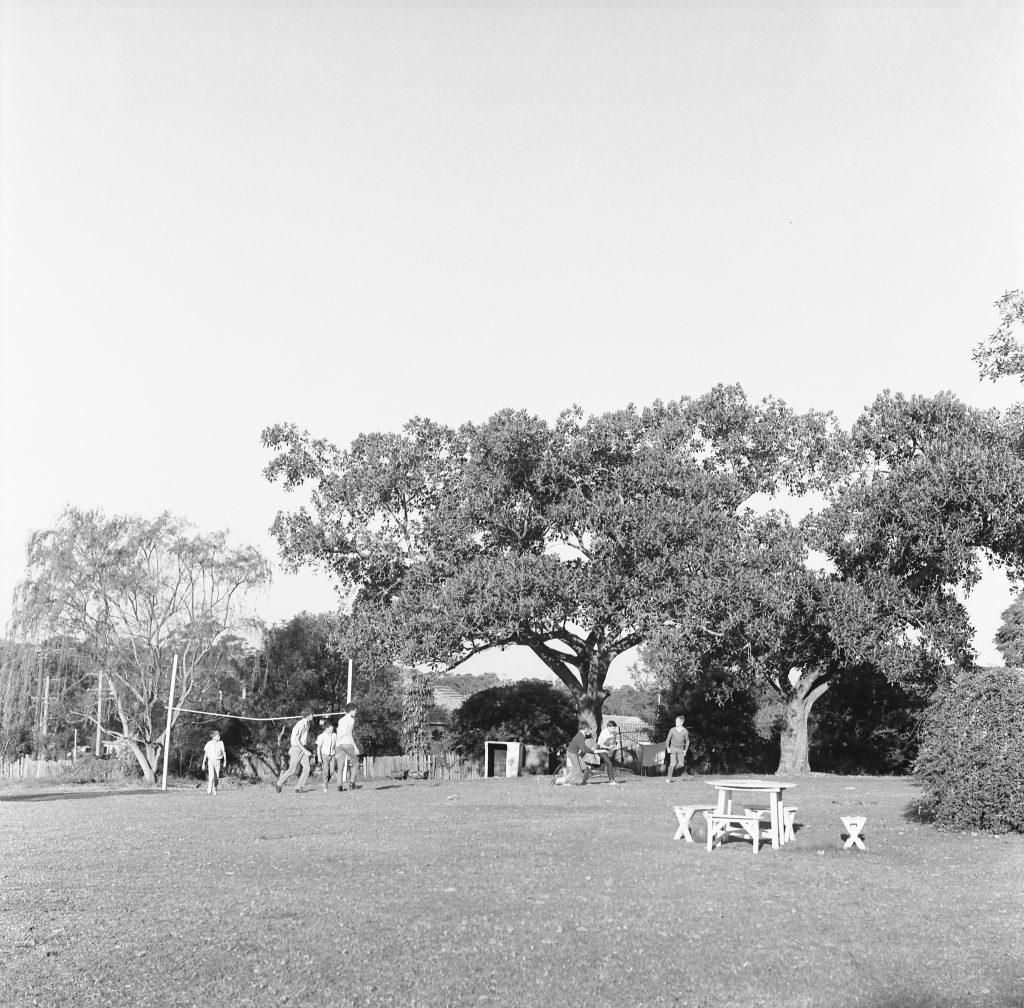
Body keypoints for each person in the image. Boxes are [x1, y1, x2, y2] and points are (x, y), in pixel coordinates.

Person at [275, 709, 315, 794]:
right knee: (292, 770)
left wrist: (305, 748)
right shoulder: (300, 724)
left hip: (302, 748)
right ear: (308, 715)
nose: (313, 715)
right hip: (296, 749)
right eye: (312, 714)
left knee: (307, 768)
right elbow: (296, 740)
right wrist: (305, 751)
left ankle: (298, 788)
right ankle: (279, 784)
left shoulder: (307, 724)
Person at [333, 703, 361, 792]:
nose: (355, 712)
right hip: (347, 743)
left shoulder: (340, 720)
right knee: (355, 763)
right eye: (355, 711)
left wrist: (336, 746)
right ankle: (352, 783)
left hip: (339, 744)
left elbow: (338, 732)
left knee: (340, 766)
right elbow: (349, 733)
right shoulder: (351, 720)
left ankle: (339, 786)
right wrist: (355, 747)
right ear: (351, 711)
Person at [565, 721, 597, 785]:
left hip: (575, 753)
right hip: (572, 753)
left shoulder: (581, 735)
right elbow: (583, 750)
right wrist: (591, 750)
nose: (588, 730)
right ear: (586, 728)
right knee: (577, 769)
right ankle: (567, 782)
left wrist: (590, 749)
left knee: (586, 768)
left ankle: (584, 782)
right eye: (588, 728)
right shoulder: (581, 736)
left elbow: (583, 746)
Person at [594, 719, 623, 785]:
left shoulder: (612, 733)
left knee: (608, 764)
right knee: (609, 763)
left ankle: (611, 780)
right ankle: (611, 781)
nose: (614, 730)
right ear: (608, 727)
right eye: (613, 728)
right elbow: (601, 745)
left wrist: (614, 742)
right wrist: (609, 747)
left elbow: (613, 741)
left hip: (606, 749)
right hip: (600, 749)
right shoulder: (604, 733)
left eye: (614, 728)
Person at [665, 714, 690, 784]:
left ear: (682, 722)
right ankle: (668, 778)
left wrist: (685, 750)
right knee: (672, 764)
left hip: (681, 750)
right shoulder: (672, 730)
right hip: (673, 749)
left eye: (678, 721)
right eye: (676, 721)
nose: (676, 722)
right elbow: (667, 740)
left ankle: (671, 769)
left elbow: (687, 741)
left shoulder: (685, 731)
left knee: (681, 764)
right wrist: (668, 748)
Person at [202, 730, 226, 795]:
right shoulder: (209, 743)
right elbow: (205, 754)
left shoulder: (221, 743)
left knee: (216, 778)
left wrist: (225, 761)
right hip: (210, 761)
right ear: (214, 737)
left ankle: (214, 788)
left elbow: (224, 752)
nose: (219, 737)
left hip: (217, 761)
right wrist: (203, 764)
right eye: (218, 736)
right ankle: (209, 791)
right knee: (211, 776)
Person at [315, 720, 337, 792]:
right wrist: (319, 757)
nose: (332, 728)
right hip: (324, 755)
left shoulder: (334, 735)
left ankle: (325, 783)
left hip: (332, 755)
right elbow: (318, 747)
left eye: (332, 727)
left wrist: (337, 753)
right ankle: (325, 788)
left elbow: (336, 745)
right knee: (326, 771)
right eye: (331, 727)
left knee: (331, 772)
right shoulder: (321, 736)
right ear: (327, 728)